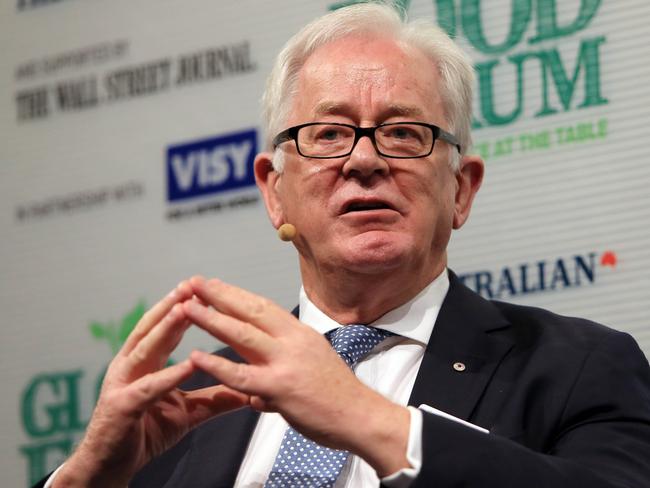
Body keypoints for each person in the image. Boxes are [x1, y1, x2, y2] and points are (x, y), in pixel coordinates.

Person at [38, 3, 650, 488]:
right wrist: (90, 475)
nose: (363, 159)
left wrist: (360, 414)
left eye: (403, 132)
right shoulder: (187, 409)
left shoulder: (578, 370)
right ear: (273, 193)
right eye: (328, 133)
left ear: (461, 190)